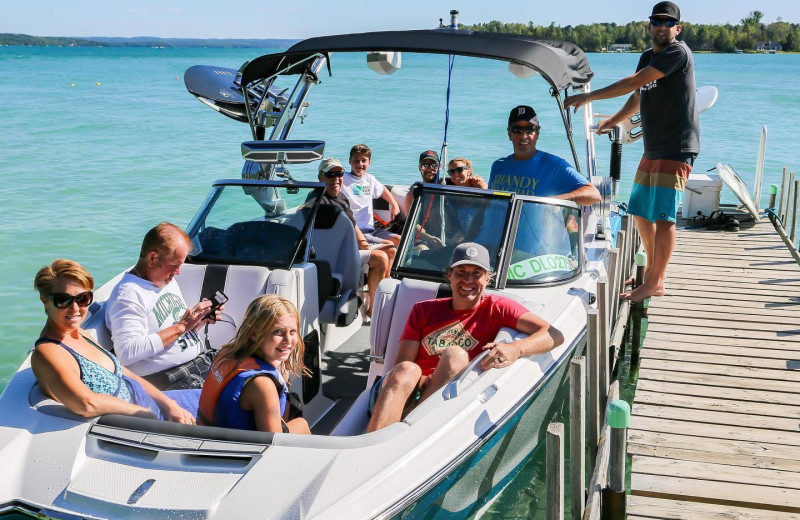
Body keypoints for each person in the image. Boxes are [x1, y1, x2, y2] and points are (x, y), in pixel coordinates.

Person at [564, 1, 699, 302]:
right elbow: (640, 94)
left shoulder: (678, 53)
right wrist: (614, 120)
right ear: (650, 26)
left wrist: (589, 98)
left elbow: (635, 82)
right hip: (654, 147)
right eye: (657, 21)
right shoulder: (648, 56)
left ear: (678, 28)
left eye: (668, 23)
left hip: (676, 147)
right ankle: (652, 271)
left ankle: (656, 281)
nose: (662, 27)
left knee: (663, 217)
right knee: (639, 210)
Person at [366, 243, 563, 432]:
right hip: (410, 389)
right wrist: (422, 383)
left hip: (450, 399)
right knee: (407, 370)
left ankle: (408, 425)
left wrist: (516, 349)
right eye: (461, 272)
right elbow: (401, 365)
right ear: (449, 276)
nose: (468, 280)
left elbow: (553, 334)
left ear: (487, 278)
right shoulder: (423, 310)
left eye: (476, 273)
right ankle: (372, 446)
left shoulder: (498, 307)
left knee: (455, 355)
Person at [32, 259, 198, 423]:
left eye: (82, 299)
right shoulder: (48, 351)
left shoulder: (80, 333)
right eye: (63, 299)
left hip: (145, 401)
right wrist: (147, 414)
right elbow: (86, 403)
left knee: (218, 397)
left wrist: (168, 403)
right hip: (136, 417)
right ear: (45, 300)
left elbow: (127, 374)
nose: (75, 308)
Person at [105, 222, 222, 390]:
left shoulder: (166, 281)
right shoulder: (128, 295)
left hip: (198, 362)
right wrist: (181, 326)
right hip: (169, 379)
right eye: (175, 265)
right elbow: (127, 352)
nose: (178, 272)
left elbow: (174, 336)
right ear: (153, 258)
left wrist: (199, 321)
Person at [198, 295, 311, 434]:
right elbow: (275, 446)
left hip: (209, 437)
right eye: (279, 332)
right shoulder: (262, 385)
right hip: (239, 452)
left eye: (292, 332)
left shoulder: (227, 353)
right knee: (301, 424)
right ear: (254, 334)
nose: (288, 340)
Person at [316, 157, 394, 317]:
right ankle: (375, 311)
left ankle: (384, 297)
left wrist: (368, 244)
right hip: (338, 254)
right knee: (380, 258)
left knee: (391, 249)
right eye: (331, 174)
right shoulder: (319, 203)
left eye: (339, 173)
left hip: (351, 246)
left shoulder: (340, 198)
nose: (336, 179)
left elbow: (354, 226)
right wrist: (366, 247)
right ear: (320, 178)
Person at [489, 105, 601, 206]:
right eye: (517, 130)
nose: (524, 135)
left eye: (529, 130)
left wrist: (555, 201)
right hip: (499, 229)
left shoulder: (554, 166)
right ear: (510, 134)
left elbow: (594, 194)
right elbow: (490, 204)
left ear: (537, 134)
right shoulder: (498, 166)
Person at [343, 144, 401, 246]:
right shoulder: (343, 179)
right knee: (388, 244)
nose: (360, 164)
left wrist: (394, 204)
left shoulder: (370, 179)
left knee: (399, 239)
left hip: (372, 230)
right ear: (349, 161)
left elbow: (383, 190)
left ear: (369, 162)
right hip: (355, 232)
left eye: (364, 160)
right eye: (356, 160)